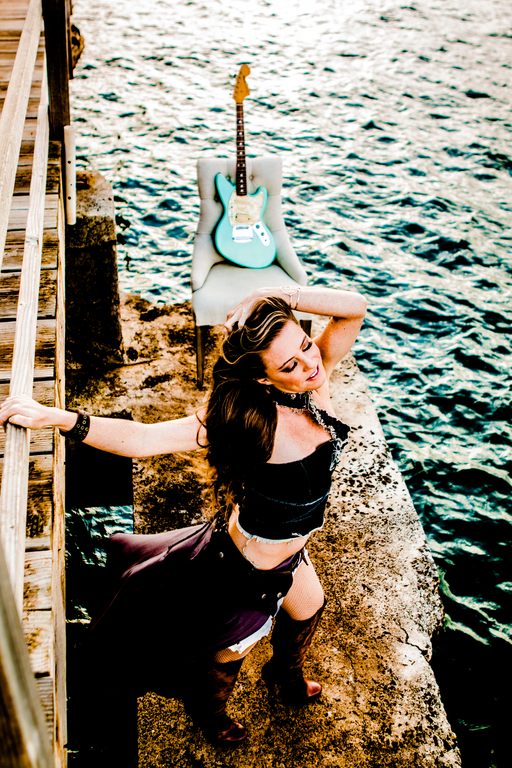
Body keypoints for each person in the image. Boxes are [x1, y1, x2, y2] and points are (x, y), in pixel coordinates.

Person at [0, 284, 366, 755]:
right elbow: (143, 439)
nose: (308, 364)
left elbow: (354, 308)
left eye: (305, 344)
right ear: (262, 378)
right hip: (247, 574)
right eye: (288, 365)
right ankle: (210, 712)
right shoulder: (247, 421)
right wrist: (60, 418)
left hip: (290, 555)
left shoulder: (317, 381)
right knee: (229, 650)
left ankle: (283, 675)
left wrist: (275, 294)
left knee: (310, 608)